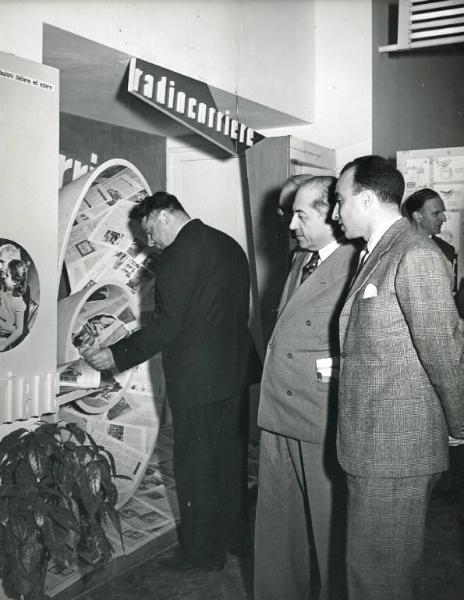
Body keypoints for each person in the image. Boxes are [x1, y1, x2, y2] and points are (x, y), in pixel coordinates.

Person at [81, 191, 260, 571]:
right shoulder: (227, 244)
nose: (149, 243)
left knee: (195, 468)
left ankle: (201, 555)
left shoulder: (177, 256)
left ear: (164, 216)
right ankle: (234, 540)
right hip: (235, 372)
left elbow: (168, 325)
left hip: (199, 381)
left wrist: (116, 355)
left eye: (149, 231)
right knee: (229, 463)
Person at [332, 155, 464, 600]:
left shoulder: (415, 255)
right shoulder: (379, 252)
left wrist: (460, 426)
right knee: (379, 574)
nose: (336, 212)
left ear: (366, 199)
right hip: (375, 446)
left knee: (380, 580)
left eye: (340, 201)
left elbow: (444, 353)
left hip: (396, 451)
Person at [254, 176, 358, 600]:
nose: (291, 225)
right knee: (278, 529)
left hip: (321, 415)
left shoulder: (357, 262)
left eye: (301, 215)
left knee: (331, 529)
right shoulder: (303, 258)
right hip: (279, 408)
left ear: (332, 214)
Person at [403, 187, 457, 266]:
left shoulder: (447, 250)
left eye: (442, 212)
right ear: (418, 216)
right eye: (436, 213)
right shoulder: (394, 249)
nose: (444, 218)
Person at [0, 259, 28, 351]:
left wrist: (4, 344)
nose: (4, 277)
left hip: (4, 337)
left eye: (7, 275)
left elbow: (19, 330)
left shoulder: (19, 304)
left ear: (15, 282)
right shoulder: (4, 291)